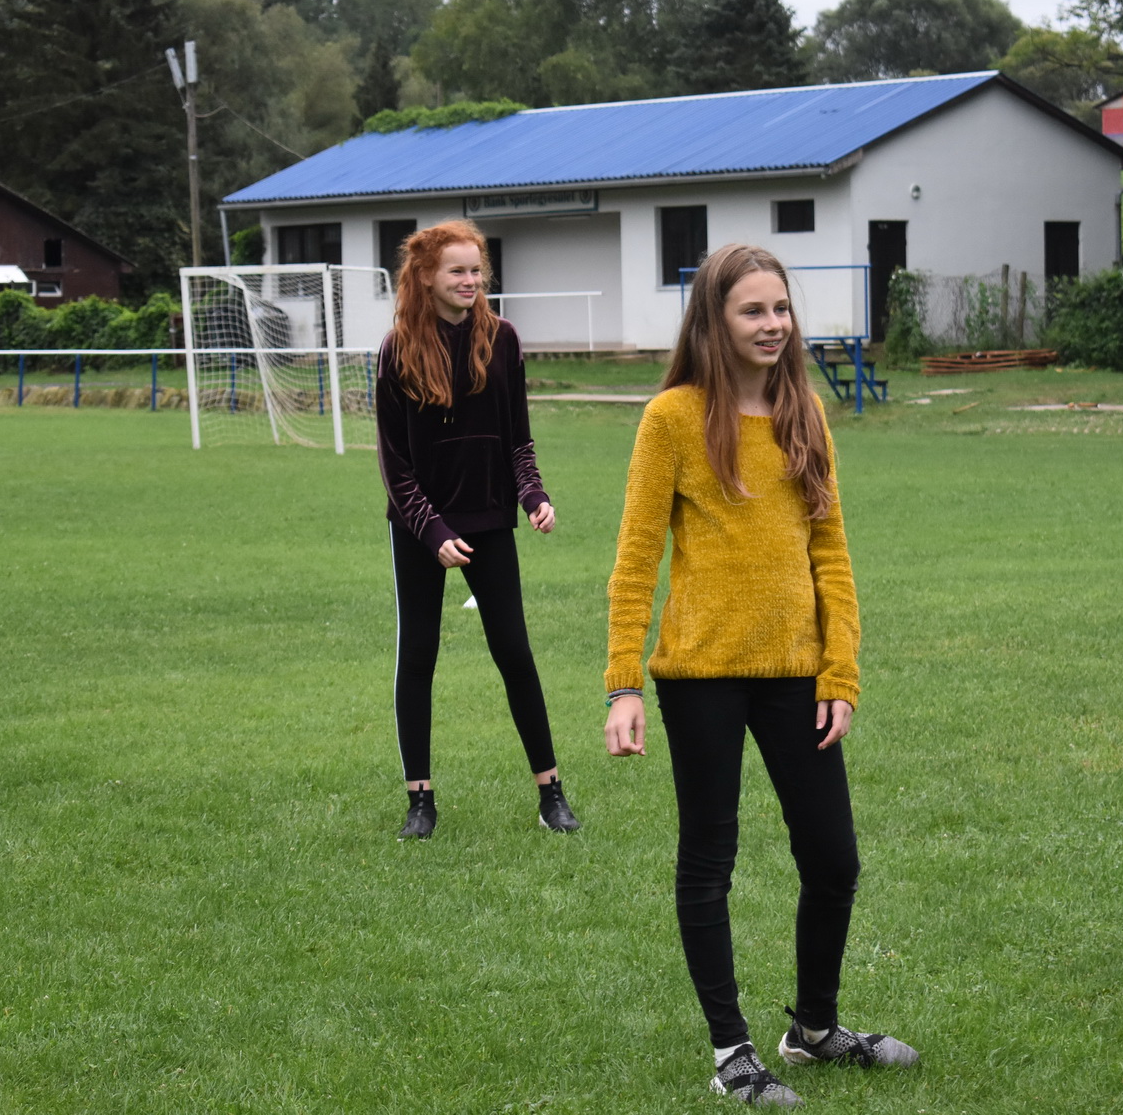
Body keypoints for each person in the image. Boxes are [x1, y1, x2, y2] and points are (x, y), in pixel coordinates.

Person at [602, 244, 916, 1106]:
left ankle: (813, 1030)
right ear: (714, 320)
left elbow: (831, 553)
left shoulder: (804, 413)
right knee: (710, 859)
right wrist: (623, 684)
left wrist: (839, 673)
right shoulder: (671, 419)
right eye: (753, 310)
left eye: (781, 308)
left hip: (796, 675)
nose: (773, 324)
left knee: (834, 858)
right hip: (700, 676)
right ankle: (731, 1053)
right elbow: (636, 559)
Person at [376, 220, 579, 838]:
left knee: (515, 653)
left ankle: (551, 794)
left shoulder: (503, 339)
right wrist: (431, 530)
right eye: (457, 271)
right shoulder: (396, 349)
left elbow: (518, 439)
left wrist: (533, 494)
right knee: (418, 658)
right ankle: (420, 801)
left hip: (488, 523)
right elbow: (394, 464)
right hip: (421, 529)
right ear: (426, 276)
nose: (470, 280)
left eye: (476, 270)